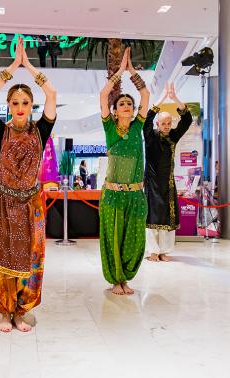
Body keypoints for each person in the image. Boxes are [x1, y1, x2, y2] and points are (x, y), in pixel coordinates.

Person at [0, 38, 57, 332]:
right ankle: (3, 311)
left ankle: (21, 311)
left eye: (26, 103)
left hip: (31, 206)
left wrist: (30, 67)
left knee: (29, 258)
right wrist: (13, 67)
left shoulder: (42, 130)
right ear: (9, 106)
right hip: (5, 203)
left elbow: (52, 92)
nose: (21, 107)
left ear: (32, 105)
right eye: (15, 103)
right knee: (2, 255)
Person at [98, 47, 149, 295]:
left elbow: (146, 95)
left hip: (136, 196)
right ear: (115, 111)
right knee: (113, 238)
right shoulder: (109, 128)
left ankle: (126, 278)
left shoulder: (139, 126)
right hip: (113, 195)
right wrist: (119, 72)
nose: (127, 105)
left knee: (134, 239)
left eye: (130, 103)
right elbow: (104, 94)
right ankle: (116, 279)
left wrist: (132, 73)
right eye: (122, 103)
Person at [143, 83, 193, 262]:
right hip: (151, 183)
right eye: (163, 123)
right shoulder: (150, 136)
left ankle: (164, 250)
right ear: (158, 124)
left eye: (168, 123)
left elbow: (187, 120)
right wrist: (162, 99)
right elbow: (146, 120)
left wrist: (175, 99)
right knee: (150, 218)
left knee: (167, 218)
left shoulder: (173, 136)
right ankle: (152, 251)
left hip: (168, 184)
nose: (166, 126)